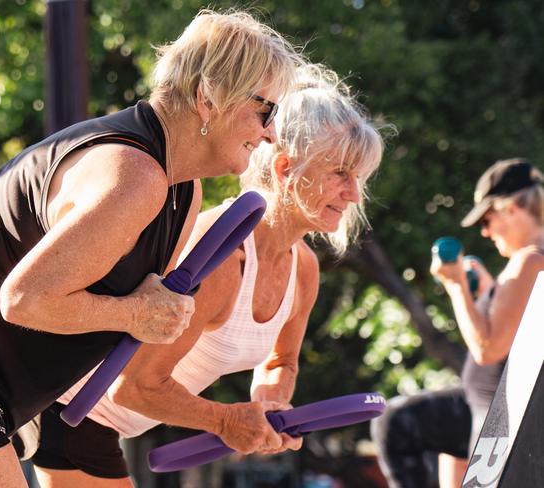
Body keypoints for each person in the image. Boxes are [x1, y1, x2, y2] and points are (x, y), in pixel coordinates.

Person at [0, 9, 303, 488]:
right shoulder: (135, 176)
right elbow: (26, 300)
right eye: (266, 110)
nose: (271, 132)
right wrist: (134, 315)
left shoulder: (181, 189)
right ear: (209, 98)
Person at [24, 63, 386, 488]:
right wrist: (226, 421)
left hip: (106, 425)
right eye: (340, 173)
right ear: (287, 170)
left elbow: (281, 361)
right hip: (70, 410)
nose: (354, 193)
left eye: (358, 177)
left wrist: (269, 407)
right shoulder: (223, 261)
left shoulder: (302, 267)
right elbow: (133, 387)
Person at [372, 158, 544, 488]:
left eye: (487, 219)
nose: (485, 231)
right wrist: (489, 292)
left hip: (499, 418)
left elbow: (488, 348)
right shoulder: (530, 263)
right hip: (483, 409)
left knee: (396, 421)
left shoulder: (530, 260)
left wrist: (456, 286)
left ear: (512, 208)